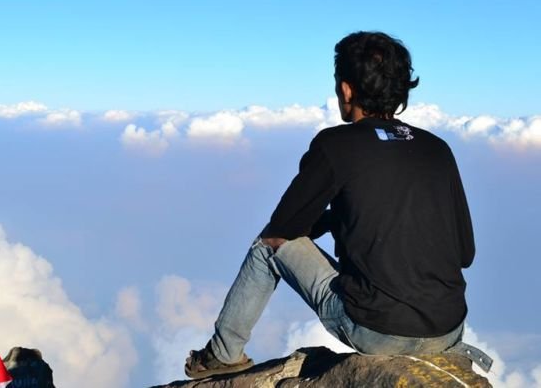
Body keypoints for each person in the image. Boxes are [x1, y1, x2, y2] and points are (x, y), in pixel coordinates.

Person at [184, 31, 492, 379]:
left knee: (266, 247)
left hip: (377, 330)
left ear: (346, 90)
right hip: (448, 329)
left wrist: (330, 219)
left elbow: (282, 230)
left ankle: (222, 355)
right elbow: (465, 253)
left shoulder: (336, 145)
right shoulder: (437, 149)